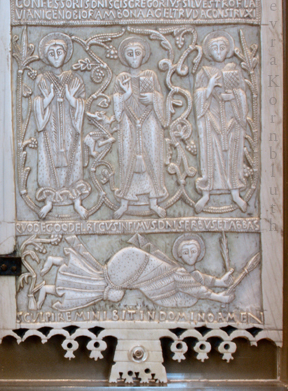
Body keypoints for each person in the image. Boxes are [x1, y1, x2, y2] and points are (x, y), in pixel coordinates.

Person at [36, 233, 236, 311]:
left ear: (200, 253)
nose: (190, 255)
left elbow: (196, 279)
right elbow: (192, 283)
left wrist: (220, 282)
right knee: (180, 276)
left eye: (193, 251)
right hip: (131, 266)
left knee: (181, 276)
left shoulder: (180, 272)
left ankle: (52, 268)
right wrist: (217, 296)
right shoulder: (176, 272)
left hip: (132, 269)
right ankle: (53, 267)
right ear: (180, 254)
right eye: (186, 252)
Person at [33, 32, 89, 219]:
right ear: (46, 56)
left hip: (70, 127)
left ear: (66, 54)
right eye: (52, 53)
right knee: (48, 159)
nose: (56, 56)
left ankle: (77, 202)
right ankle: (49, 201)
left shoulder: (75, 79)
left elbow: (82, 103)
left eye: (60, 52)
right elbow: (37, 104)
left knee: (73, 159)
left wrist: (73, 100)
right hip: (49, 127)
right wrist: (47, 99)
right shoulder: (42, 79)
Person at [112, 37, 168, 218]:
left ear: (143, 55)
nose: (134, 57)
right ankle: (124, 203)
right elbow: (116, 105)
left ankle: (154, 203)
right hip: (128, 122)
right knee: (127, 159)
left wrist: (154, 98)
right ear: (125, 57)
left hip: (149, 121)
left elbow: (160, 98)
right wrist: (126, 94)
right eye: (130, 54)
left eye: (137, 53)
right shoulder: (122, 78)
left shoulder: (151, 75)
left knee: (152, 157)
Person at [195, 31, 249, 213]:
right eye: (214, 48)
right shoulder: (204, 72)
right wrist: (209, 88)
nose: (218, 51)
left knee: (232, 154)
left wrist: (233, 96)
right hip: (212, 121)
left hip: (232, 120)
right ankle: (206, 194)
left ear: (228, 50)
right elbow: (198, 97)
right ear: (209, 51)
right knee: (210, 154)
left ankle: (235, 194)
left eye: (222, 47)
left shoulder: (234, 70)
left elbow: (243, 94)